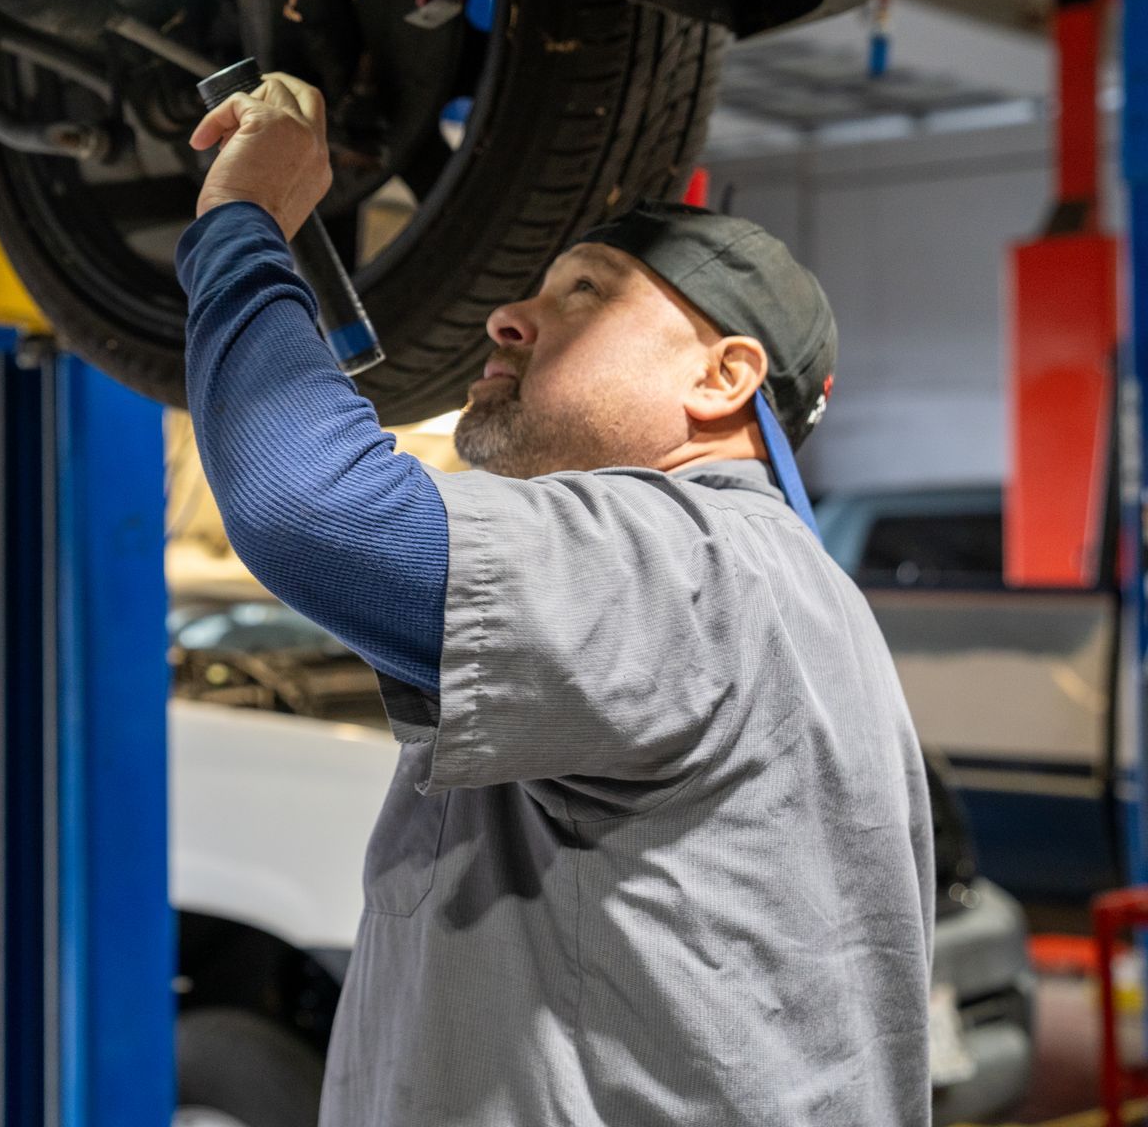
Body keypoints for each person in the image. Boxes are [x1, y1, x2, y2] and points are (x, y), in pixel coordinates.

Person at [175, 71, 933, 1126]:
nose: (506, 316)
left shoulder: (690, 562)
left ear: (723, 378)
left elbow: (309, 499)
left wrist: (244, 221)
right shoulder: (766, 584)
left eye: (584, 290)